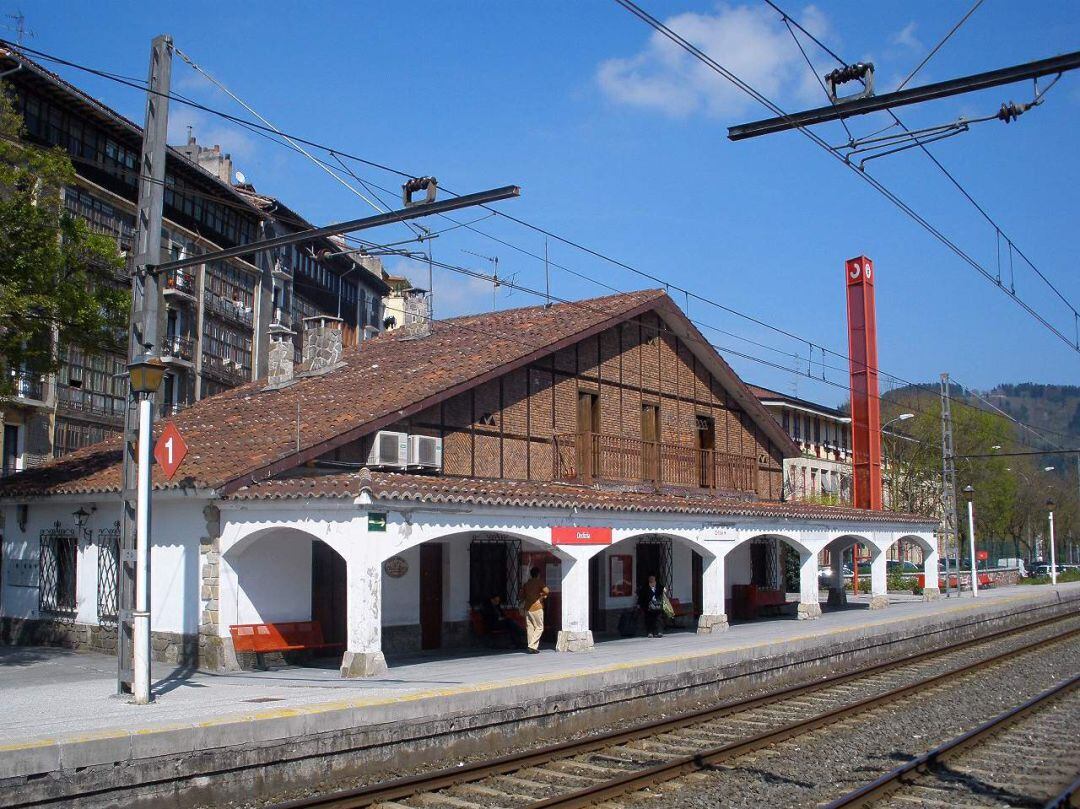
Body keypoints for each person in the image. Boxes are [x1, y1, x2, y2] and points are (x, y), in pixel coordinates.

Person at [519, 567, 549, 654]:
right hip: (537, 607)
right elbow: (547, 591)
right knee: (539, 627)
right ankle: (532, 645)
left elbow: (521, 595)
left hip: (527, 608)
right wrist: (542, 595)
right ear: (538, 574)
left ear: (531, 574)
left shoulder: (527, 583)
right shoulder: (539, 582)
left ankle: (531, 647)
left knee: (530, 627)